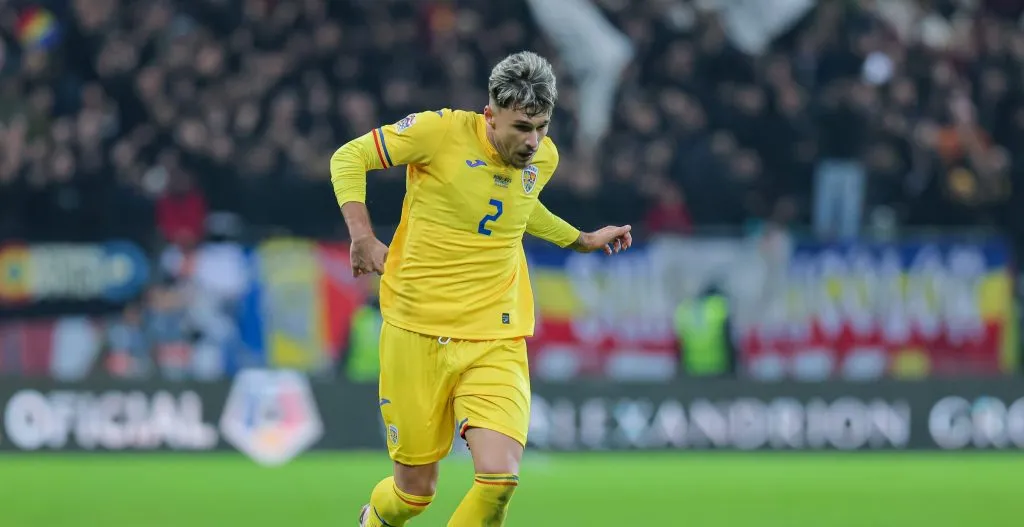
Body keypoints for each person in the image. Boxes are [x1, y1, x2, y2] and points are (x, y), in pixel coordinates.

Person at [330, 51, 632, 527]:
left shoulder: (544, 157)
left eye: (542, 127)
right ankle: (373, 519)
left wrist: (582, 239)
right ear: (490, 115)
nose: (533, 141)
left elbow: (518, 207)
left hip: (496, 334)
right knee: (413, 495)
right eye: (521, 127)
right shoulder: (438, 132)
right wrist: (362, 236)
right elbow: (349, 157)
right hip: (416, 331)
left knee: (498, 481)